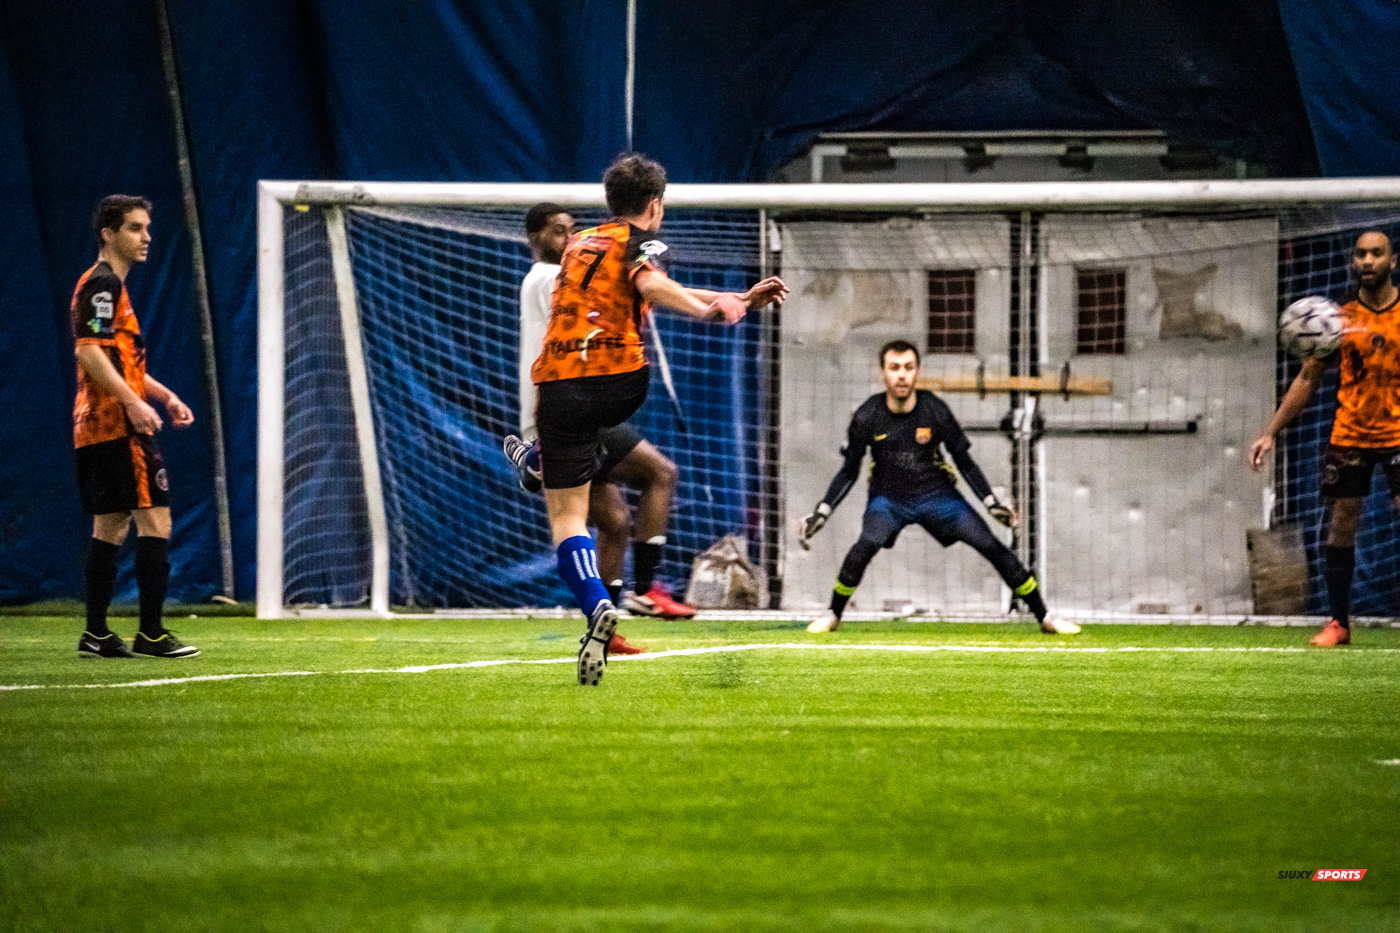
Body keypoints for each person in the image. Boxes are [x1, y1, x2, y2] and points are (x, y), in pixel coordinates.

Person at [531, 154, 786, 684]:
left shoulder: (580, 243)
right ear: (655, 205)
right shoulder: (638, 240)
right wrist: (713, 309)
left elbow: (646, 285)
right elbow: (652, 285)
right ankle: (609, 606)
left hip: (557, 387)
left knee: (567, 519)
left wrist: (731, 300)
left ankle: (598, 592)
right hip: (617, 383)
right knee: (619, 488)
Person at [798, 340, 1078, 635]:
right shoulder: (868, 415)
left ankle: (1045, 617)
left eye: (908, 367)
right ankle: (833, 614)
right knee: (864, 546)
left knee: (991, 546)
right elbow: (848, 471)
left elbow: (964, 462)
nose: (902, 375)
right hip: (888, 500)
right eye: (894, 368)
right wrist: (822, 512)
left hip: (938, 496)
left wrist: (991, 502)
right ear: (882, 373)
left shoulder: (935, 410)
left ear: (917, 371)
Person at [1250, 230, 1400, 647]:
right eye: (1361, 254)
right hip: (1350, 435)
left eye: (1376, 254)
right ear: (1353, 262)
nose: (1367, 260)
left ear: (1392, 262)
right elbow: (1307, 380)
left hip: (1399, 436)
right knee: (1341, 527)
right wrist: (1270, 432)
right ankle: (1338, 623)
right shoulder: (1336, 322)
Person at [71, 195, 198, 659]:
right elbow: (89, 351)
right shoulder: (102, 283)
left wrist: (164, 396)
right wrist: (134, 404)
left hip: (96, 424)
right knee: (155, 518)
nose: (146, 237)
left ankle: (97, 633)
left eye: (147, 228)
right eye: (135, 228)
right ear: (108, 233)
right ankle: (151, 633)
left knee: (110, 525)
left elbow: (115, 360)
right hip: (116, 424)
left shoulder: (110, 287)